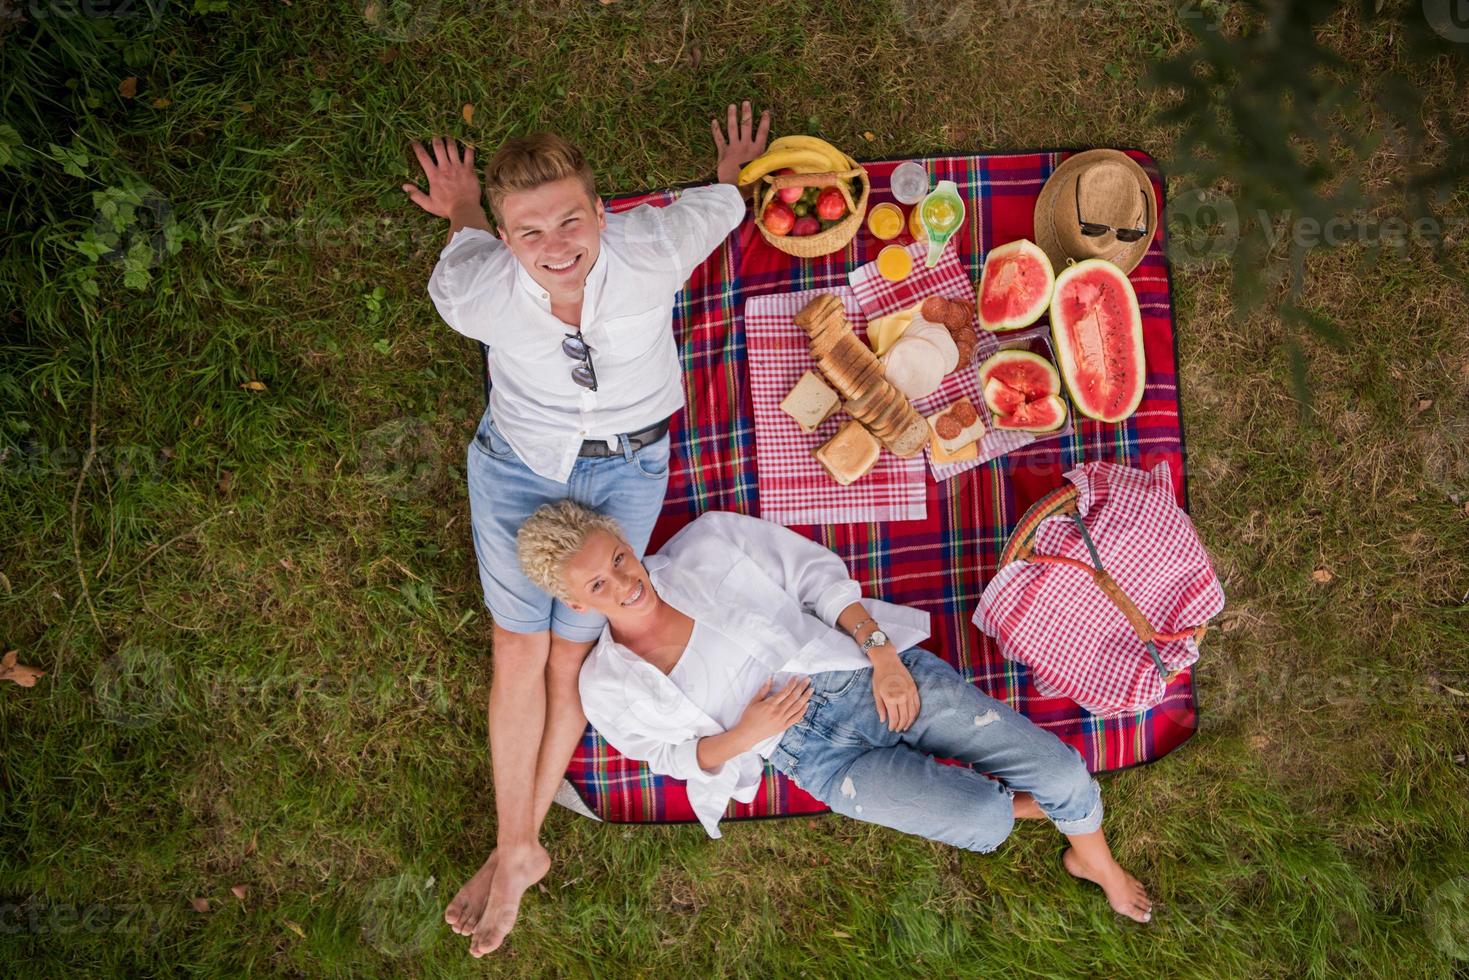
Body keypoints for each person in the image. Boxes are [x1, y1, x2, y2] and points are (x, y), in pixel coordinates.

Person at [403, 102, 772, 957]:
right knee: (517, 649)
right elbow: (464, 246)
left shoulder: (649, 252)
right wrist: (460, 207)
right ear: (503, 237)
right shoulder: (471, 294)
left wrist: (729, 174)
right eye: (528, 231)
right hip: (517, 466)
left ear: (603, 212)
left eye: (572, 218)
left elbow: (718, 209)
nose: (557, 243)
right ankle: (516, 845)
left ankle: (515, 851)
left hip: (625, 466)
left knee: (572, 650)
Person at [516, 502, 1155, 924]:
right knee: (982, 818)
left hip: (856, 679)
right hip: (812, 757)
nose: (624, 582)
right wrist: (745, 736)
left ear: (625, 541)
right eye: (597, 584)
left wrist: (882, 655)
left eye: (618, 559)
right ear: (573, 604)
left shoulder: (706, 542)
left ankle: (1094, 859)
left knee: (1067, 773)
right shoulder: (604, 684)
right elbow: (670, 758)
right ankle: (1023, 804)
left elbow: (817, 580)